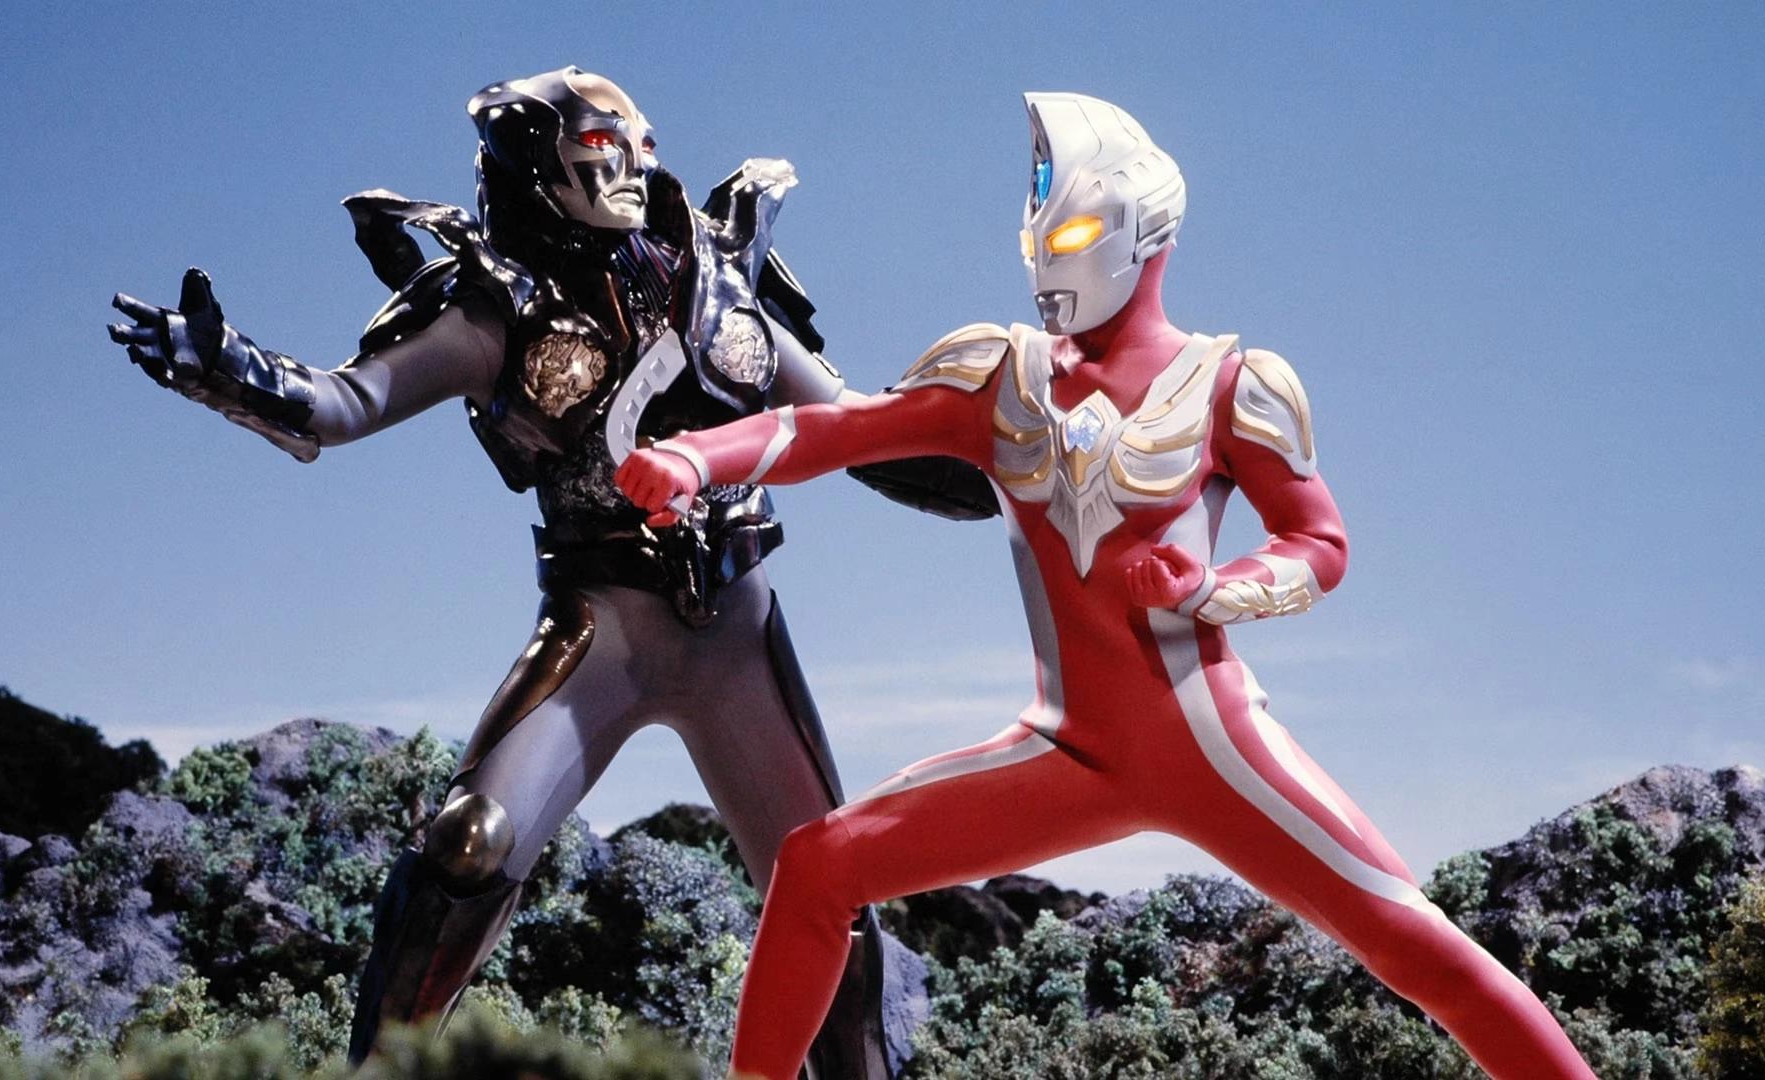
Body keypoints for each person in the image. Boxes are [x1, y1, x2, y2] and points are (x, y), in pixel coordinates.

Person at [615, 91, 1600, 1080]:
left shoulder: (1232, 383)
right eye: (1035, 237)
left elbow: (1319, 542)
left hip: (1212, 743)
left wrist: (1214, 587)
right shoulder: (1000, 376)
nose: (1048, 261)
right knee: (817, 867)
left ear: (1141, 229)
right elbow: (832, 431)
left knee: (1419, 947)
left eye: (1073, 234)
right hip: (1067, 752)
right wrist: (699, 456)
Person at [106, 66, 989, 1075]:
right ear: (539, 164)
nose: (633, 167)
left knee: (832, 889)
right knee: (467, 845)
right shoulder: (499, 308)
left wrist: (1012, 458)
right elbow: (348, 402)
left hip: (735, 637)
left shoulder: (715, 280)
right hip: (598, 633)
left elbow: (857, 429)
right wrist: (231, 368)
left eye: (641, 145)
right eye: (602, 147)